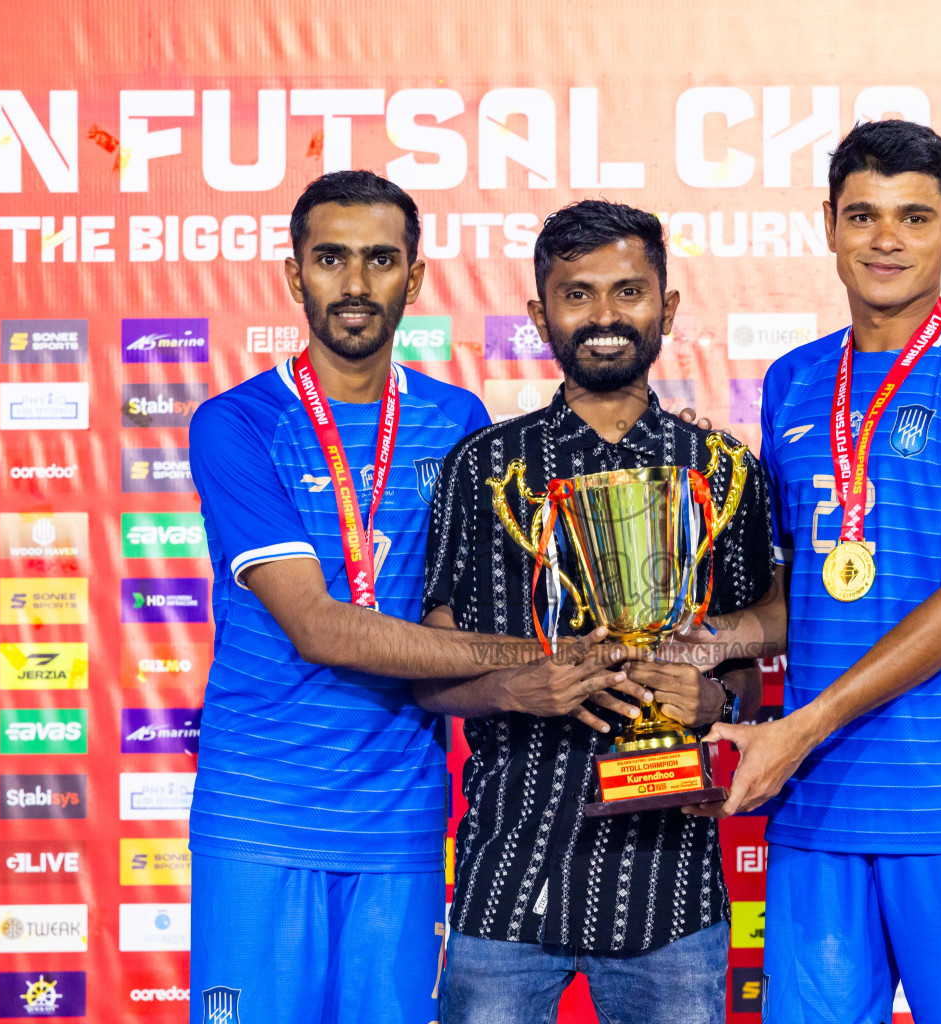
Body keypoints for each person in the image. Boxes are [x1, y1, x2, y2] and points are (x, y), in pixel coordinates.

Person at [186, 171, 635, 1024]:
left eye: (380, 261)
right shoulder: (237, 423)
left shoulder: (457, 419)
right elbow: (319, 628)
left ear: (415, 278)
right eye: (330, 260)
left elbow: (475, 609)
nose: (355, 286)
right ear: (293, 276)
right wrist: (540, 660)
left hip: (401, 821)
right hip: (261, 814)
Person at [698, 119, 941, 1023]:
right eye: (862, 216)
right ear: (828, 225)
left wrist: (797, 728)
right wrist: (709, 643)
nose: (885, 239)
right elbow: (809, 594)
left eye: (912, 217)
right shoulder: (791, 381)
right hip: (818, 805)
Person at [416, 200, 779, 1024]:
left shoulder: (725, 471)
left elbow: (758, 666)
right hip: (506, 879)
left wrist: (716, 698)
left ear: (668, 308)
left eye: (629, 291)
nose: (606, 316)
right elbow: (426, 675)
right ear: (542, 315)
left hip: (670, 893)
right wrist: (518, 687)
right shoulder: (482, 469)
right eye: (577, 295)